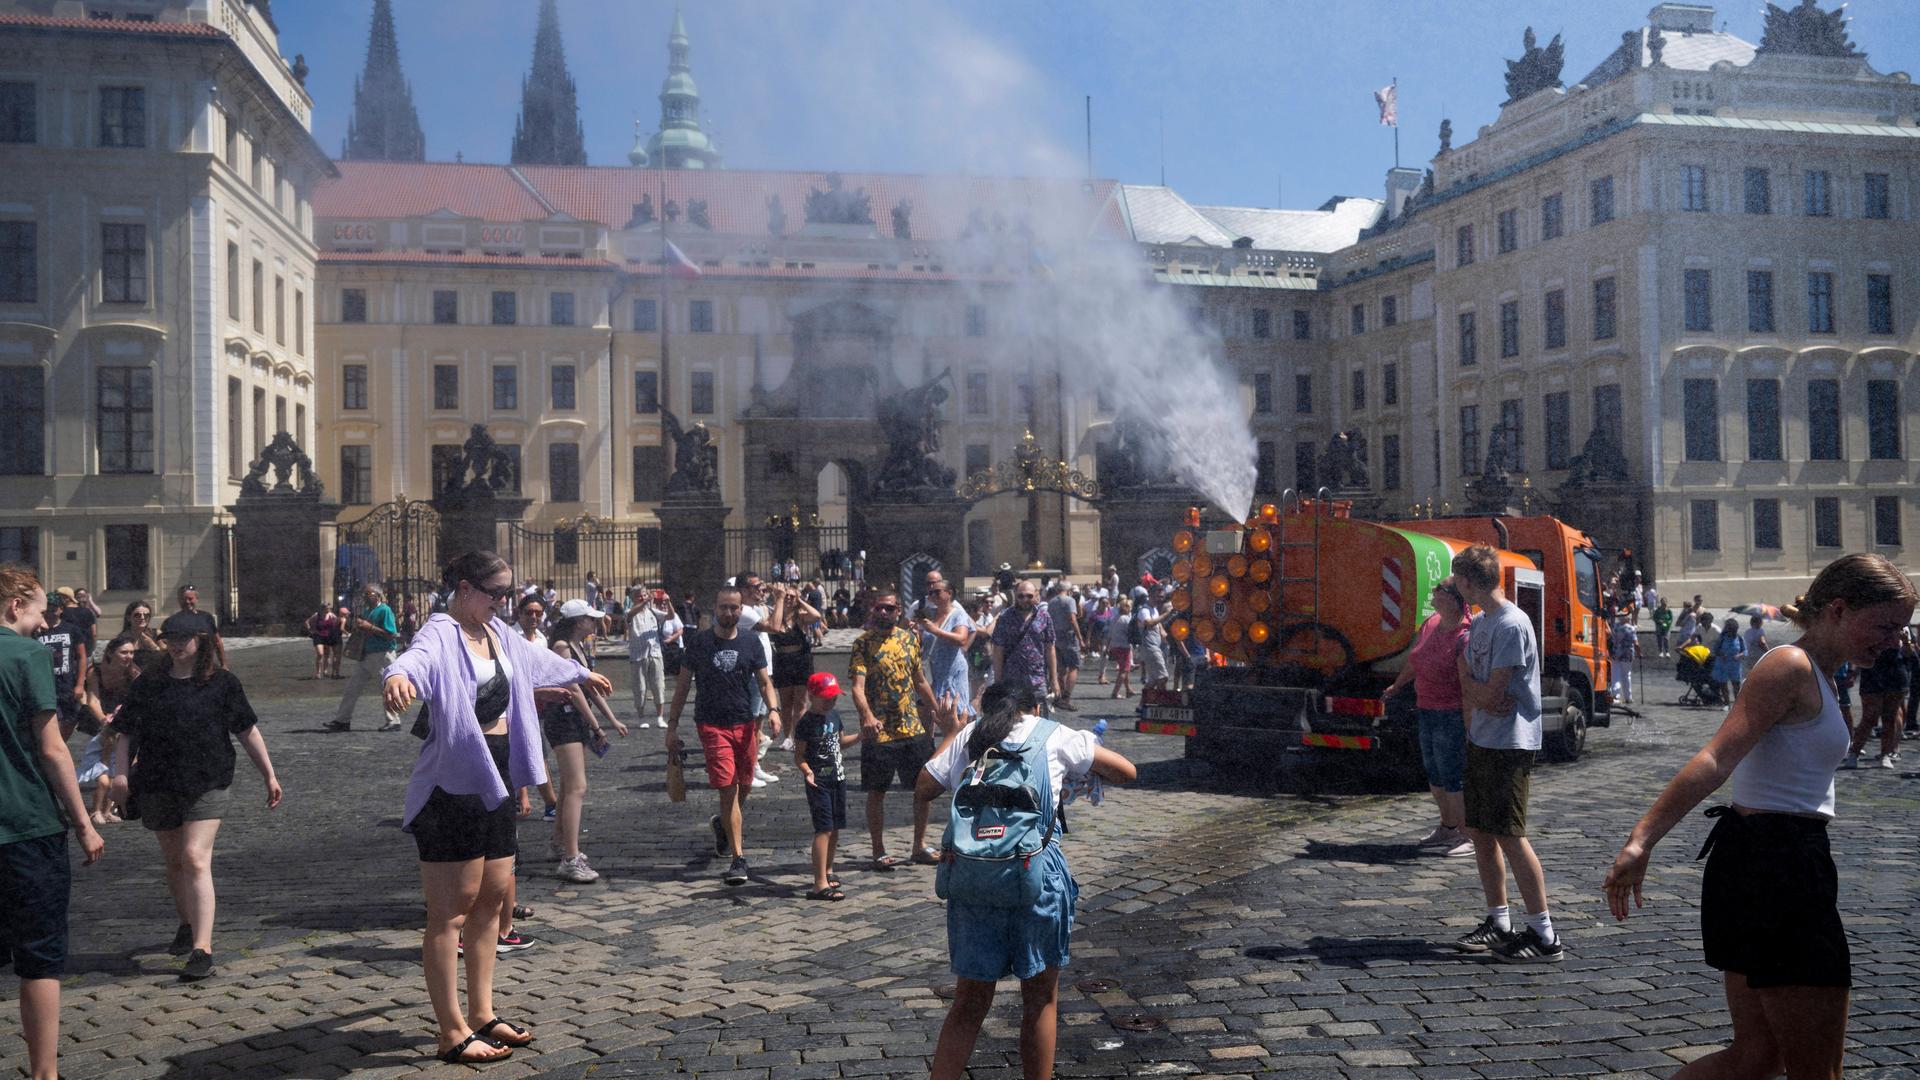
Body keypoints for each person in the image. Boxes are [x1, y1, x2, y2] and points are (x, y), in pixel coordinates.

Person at [1604, 553, 1916, 1080]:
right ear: (1838, 609)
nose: (1894, 641)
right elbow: (1716, 758)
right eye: (1885, 626)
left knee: (1755, 1058)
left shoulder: (1817, 671)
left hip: (1761, 860)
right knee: (1816, 1071)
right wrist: (1642, 840)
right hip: (1780, 867)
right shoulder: (1790, 667)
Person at [381, 551, 608, 1064]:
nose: (504, 602)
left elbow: (536, 661)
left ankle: (482, 1012)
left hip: (499, 772)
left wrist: (578, 674)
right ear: (465, 588)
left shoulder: (498, 633)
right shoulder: (442, 631)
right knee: (451, 912)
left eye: (507, 593)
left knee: (492, 899)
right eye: (496, 593)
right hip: (454, 782)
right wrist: (398, 678)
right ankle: (451, 1030)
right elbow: (413, 660)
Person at [918, 680, 1138, 1080]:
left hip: (974, 876)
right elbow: (1127, 771)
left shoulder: (972, 734)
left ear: (988, 709)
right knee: (1039, 1000)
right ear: (1035, 708)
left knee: (969, 1002)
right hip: (1034, 873)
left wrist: (951, 732)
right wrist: (1081, 764)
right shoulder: (1056, 734)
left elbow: (924, 787)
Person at [110, 613, 280, 981]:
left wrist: (269, 774)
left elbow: (247, 731)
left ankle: (203, 948)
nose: (175, 644)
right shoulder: (149, 684)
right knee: (175, 862)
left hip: (209, 780)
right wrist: (121, 774)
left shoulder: (223, 683)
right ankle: (186, 923)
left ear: (201, 641)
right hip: (157, 782)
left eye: (183, 638)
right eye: (170, 637)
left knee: (194, 858)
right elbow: (125, 733)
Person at [0, 566, 106, 1080]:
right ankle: (44, 1073)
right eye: (41, 611)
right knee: (40, 957)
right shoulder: (27, 656)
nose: (45, 624)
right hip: (27, 825)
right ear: (14, 605)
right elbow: (52, 749)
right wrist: (84, 822)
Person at [1448, 544, 1562, 963]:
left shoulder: (1512, 625)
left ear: (1466, 582)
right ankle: (1499, 923)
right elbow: (1479, 692)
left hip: (1510, 741)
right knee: (1480, 831)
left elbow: (1494, 693)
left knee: (1511, 835)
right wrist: (1474, 692)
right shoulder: (1481, 622)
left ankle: (1544, 934)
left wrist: (1471, 687)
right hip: (1484, 737)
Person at [665, 586, 779, 887]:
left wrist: (775, 710)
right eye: (723, 607)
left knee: (744, 785)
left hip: (745, 724)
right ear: (714, 609)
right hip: (712, 725)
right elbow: (682, 687)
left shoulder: (751, 641)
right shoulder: (700, 643)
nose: (729, 613)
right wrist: (672, 727)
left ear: (741, 610)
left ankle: (722, 824)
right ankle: (738, 859)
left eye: (734, 608)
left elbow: (765, 682)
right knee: (728, 789)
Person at [1381, 577, 1474, 858]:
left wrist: (1469, 721)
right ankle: (1448, 827)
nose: (1433, 594)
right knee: (1434, 774)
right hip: (1427, 708)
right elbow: (1415, 658)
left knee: (1453, 775)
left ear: (1451, 597)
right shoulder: (1432, 622)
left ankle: (1466, 834)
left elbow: (1466, 682)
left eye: (1437, 590)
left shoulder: (1465, 634)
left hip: (1451, 713)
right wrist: (1398, 685)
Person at [848, 589, 940, 869]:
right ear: (873, 611)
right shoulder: (863, 644)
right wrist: (866, 716)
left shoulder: (909, 639)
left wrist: (936, 710)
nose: (884, 613)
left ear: (898, 610)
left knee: (922, 789)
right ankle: (878, 850)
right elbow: (857, 687)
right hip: (880, 732)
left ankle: (919, 845)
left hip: (911, 727)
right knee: (877, 791)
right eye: (880, 608)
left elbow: (919, 679)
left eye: (889, 608)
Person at [539, 599, 627, 883]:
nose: (594, 622)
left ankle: (559, 842)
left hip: (574, 720)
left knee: (568, 786)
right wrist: (597, 725)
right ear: (579, 621)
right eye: (590, 618)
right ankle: (570, 858)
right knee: (578, 786)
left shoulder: (577, 646)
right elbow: (575, 690)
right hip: (563, 720)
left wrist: (611, 719)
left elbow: (591, 687)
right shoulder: (562, 648)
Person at [793, 672, 859, 901]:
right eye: (826, 698)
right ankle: (818, 883)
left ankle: (828, 870)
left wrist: (861, 736)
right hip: (818, 781)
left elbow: (840, 743)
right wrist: (806, 770)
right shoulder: (805, 723)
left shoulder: (834, 716)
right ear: (812, 696)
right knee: (824, 828)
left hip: (838, 778)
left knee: (836, 826)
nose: (831, 702)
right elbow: (799, 755)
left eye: (834, 698)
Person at [79, 635, 141, 825]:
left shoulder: (134, 673)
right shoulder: (96, 671)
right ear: (110, 653)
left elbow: (139, 700)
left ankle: (113, 806)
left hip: (126, 720)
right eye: (124, 652)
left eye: (131, 652)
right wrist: (106, 721)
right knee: (104, 763)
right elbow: (93, 699)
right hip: (103, 719)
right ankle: (97, 809)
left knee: (128, 763)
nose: (129, 656)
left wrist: (123, 720)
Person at [326, 584, 402, 733]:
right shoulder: (368, 611)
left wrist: (370, 627)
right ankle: (342, 720)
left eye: (368, 594)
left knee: (386, 688)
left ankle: (394, 721)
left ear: (377, 595)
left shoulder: (384, 610)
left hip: (382, 654)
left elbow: (391, 633)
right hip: (366, 654)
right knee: (352, 688)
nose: (365, 597)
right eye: (364, 594)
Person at [917, 576, 976, 738]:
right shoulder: (929, 614)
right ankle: (930, 756)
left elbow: (961, 638)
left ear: (949, 593)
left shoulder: (958, 615)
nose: (933, 596)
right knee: (927, 716)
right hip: (932, 672)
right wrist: (917, 633)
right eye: (930, 593)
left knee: (953, 718)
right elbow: (923, 642)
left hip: (952, 671)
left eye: (937, 592)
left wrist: (935, 630)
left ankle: (956, 753)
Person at [767, 583, 822, 750]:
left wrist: (801, 600)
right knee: (785, 703)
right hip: (783, 661)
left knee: (800, 702)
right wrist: (779, 600)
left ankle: (799, 736)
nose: (789, 598)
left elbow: (817, 616)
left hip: (801, 660)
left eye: (792, 596)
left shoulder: (800, 616)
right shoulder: (774, 614)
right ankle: (788, 737)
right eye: (787, 595)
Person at [989, 580, 1058, 713]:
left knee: (1040, 721)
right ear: (1015, 595)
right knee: (1013, 722)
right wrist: (998, 681)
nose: (1025, 599)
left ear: (1036, 595)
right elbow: (998, 650)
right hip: (1012, 679)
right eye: (1021, 596)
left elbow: (1050, 648)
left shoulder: (1044, 616)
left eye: (1029, 596)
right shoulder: (1005, 617)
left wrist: (1054, 680)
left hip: (1037, 679)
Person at [1844, 637, 1907, 770]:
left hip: (1895, 672)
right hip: (1872, 672)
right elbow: (1859, 648)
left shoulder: (1902, 627)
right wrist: (1854, 670)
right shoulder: (1873, 623)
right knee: (1870, 717)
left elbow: (1909, 654)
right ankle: (1854, 753)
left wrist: (1906, 642)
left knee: (1890, 717)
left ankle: (1885, 754)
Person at [33, 593, 87, 739]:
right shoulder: (37, 631)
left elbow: (82, 656)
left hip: (66, 684)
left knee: (71, 718)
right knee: (51, 721)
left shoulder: (71, 629)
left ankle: (61, 744)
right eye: (47, 610)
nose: (50, 613)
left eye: (53, 609)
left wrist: (80, 684)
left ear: (61, 609)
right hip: (46, 685)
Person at [625, 589, 678, 730]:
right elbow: (631, 614)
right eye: (639, 596)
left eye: (643, 595)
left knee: (658, 686)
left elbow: (670, 616)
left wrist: (667, 601)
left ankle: (660, 717)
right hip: (638, 656)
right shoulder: (630, 612)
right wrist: (647, 601)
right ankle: (641, 717)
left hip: (655, 653)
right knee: (640, 688)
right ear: (634, 599)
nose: (642, 598)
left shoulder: (653, 612)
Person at [1045, 583, 1084, 713]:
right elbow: (1073, 619)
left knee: (1061, 668)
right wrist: (1080, 638)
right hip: (1068, 636)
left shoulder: (1051, 602)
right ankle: (1066, 698)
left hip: (1056, 636)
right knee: (1074, 666)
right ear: (1068, 590)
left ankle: (1059, 696)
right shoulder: (1069, 600)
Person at [1132, 585, 1175, 691]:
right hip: (1149, 647)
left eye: (1162, 597)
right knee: (1163, 677)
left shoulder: (1154, 610)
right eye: (1158, 597)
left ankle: (1144, 702)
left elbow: (1160, 629)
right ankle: (1161, 701)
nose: (1161, 599)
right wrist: (1166, 614)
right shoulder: (1144, 610)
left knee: (1153, 680)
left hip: (1156, 647)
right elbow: (1149, 623)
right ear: (1150, 595)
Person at [172, 585, 226, 669]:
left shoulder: (206, 617)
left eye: (190, 599)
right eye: (183, 599)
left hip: (207, 666)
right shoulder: (173, 621)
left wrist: (224, 664)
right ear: (179, 600)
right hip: (184, 667)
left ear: (196, 599)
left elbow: (217, 642)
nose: (187, 602)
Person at [1710, 617, 1748, 706]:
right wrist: (1721, 654)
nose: (1731, 632)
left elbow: (1745, 651)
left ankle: (1737, 704)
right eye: (1729, 629)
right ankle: (1727, 704)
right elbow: (1715, 650)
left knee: (1736, 685)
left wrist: (1739, 655)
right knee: (1723, 684)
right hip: (1723, 664)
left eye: (1733, 630)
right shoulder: (1722, 638)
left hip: (1735, 665)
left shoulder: (1740, 638)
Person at [1106, 598, 1135, 699]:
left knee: (1125, 669)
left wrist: (1107, 648)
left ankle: (1128, 689)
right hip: (1123, 647)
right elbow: (1130, 633)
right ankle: (1115, 692)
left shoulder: (1115, 618)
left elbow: (1109, 634)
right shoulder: (1127, 619)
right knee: (1124, 670)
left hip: (1114, 645)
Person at [1611, 610, 1640, 706]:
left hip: (1616, 652)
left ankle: (1616, 696)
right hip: (1627, 654)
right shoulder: (1630, 629)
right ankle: (1628, 697)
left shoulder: (1615, 627)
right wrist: (1640, 653)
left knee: (1616, 675)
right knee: (1627, 675)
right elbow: (1635, 643)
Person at [305, 604, 340, 680]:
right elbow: (307, 622)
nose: (329, 609)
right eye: (328, 608)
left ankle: (325, 670)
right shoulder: (317, 615)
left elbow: (337, 621)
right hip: (318, 636)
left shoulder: (331, 615)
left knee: (327, 654)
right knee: (320, 654)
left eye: (330, 608)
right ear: (323, 608)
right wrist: (311, 630)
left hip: (328, 636)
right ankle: (318, 672)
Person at [1740, 615, 1771, 682]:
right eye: (1761, 621)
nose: (1762, 623)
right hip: (1758, 655)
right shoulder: (1760, 631)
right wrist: (1769, 652)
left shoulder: (1747, 631)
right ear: (1757, 623)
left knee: (1750, 673)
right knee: (1759, 673)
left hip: (1749, 655)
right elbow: (1762, 643)